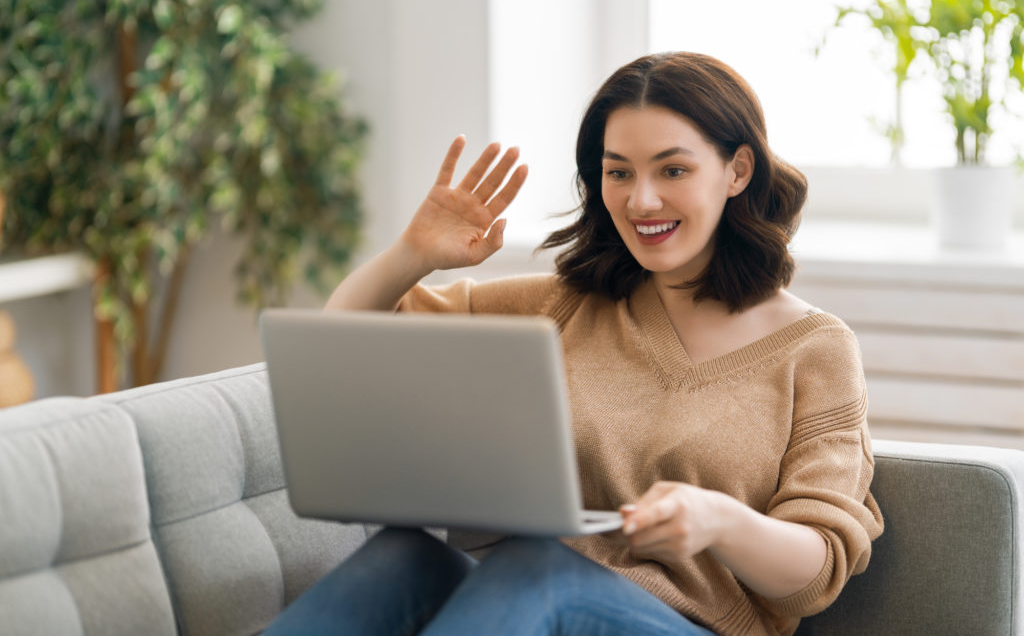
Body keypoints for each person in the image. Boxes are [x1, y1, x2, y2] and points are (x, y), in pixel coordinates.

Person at [265, 51, 884, 636]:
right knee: (404, 558)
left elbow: (815, 572)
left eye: (673, 169)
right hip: (526, 601)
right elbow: (346, 337)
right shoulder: (566, 305)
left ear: (737, 171)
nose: (641, 200)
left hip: (683, 623)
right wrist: (413, 255)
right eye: (619, 173)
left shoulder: (816, 350)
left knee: (537, 569)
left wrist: (718, 520)